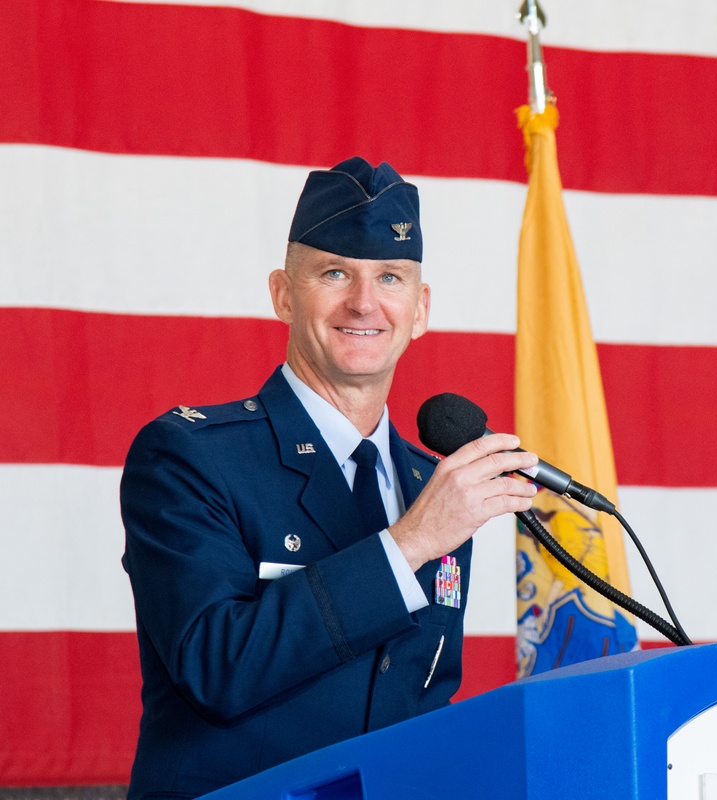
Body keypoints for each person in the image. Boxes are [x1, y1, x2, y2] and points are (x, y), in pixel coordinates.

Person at [120, 157, 538, 800]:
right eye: (335, 273)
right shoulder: (188, 458)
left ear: (420, 309)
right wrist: (410, 544)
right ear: (284, 294)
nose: (364, 302)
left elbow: (420, 695)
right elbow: (216, 667)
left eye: (390, 277)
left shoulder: (434, 481)